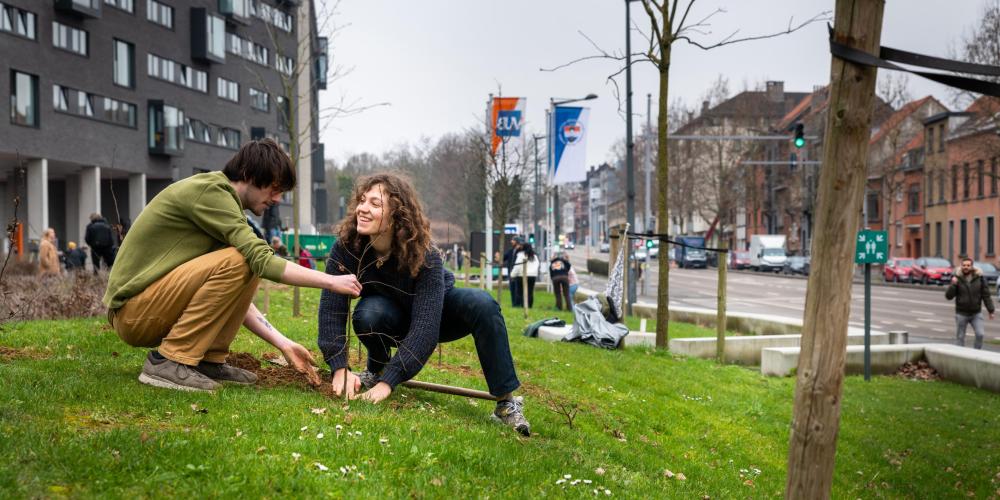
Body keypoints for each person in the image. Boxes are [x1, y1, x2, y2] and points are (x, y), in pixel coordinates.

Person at [104, 139, 362, 392]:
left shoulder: (224, 205)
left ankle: (207, 360)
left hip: (148, 307)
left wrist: (283, 343)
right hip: (132, 312)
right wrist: (331, 281)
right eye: (274, 189)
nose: (277, 198)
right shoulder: (209, 192)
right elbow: (261, 261)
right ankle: (169, 362)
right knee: (245, 258)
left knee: (246, 260)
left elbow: (230, 295)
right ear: (249, 174)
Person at [318, 173, 530, 436]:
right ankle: (376, 368)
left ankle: (505, 402)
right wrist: (339, 367)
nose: (363, 208)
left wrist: (388, 385)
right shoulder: (348, 247)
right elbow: (331, 307)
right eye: (362, 200)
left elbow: (425, 328)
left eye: (375, 203)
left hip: (436, 315)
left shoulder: (425, 253)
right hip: (390, 316)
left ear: (397, 214)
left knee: (482, 303)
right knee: (369, 312)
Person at [946, 257, 995, 350]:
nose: (966, 267)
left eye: (968, 265)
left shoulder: (979, 278)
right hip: (961, 313)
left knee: (980, 334)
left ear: (972, 266)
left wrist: (991, 310)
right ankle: (960, 355)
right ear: (961, 266)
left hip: (976, 313)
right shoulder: (957, 278)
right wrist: (953, 284)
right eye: (964, 265)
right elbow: (949, 296)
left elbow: (986, 295)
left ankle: (976, 353)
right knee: (960, 337)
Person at [510, 243, 540, 308]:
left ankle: (522, 305)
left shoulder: (521, 255)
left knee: (520, 292)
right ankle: (529, 305)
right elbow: (537, 265)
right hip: (532, 276)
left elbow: (517, 266)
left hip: (521, 275)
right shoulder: (534, 256)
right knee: (530, 292)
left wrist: (512, 274)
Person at [503, 237, 522, 306]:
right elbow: (503, 258)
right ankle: (514, 304)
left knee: (518, 289)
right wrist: (499, 257)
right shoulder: (510, 250)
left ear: (517, 241)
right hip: (511, 272)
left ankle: (518, 303)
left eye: (513, 240)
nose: (511, 241)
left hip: (518, 273)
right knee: (512, 288)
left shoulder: (521, 251)